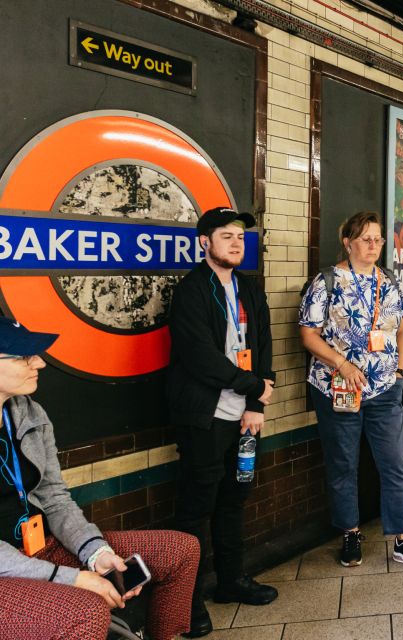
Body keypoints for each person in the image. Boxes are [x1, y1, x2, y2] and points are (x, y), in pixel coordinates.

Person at [0, 318, 199, 640]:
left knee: (180, 550)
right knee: (85, 613)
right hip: (7, 569)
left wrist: (96, 553)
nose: (39, 362)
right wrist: (71, 578)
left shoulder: (29, 412)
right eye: (24, 356)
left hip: (40, 547)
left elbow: (54, 497)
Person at [299, 211, 403, 570]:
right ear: (348, 242)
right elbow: (308, 335)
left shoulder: (388, 281)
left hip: (386, 388)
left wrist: (401, 370)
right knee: (344, 462)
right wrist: (341, 363)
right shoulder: (327, 282)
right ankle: (351, 533)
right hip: (338, 387)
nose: (374, 245)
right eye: (365, 239)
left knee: (395, 462)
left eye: (378, 239)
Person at [167, 206, 278, 638]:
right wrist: (251, 386)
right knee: (196, 508)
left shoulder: (250, 289)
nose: (236, 242)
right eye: (226, 235)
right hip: (205, 416)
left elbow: (263, 343)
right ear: (204, 243)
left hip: (244, 416)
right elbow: (198, 356)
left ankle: (231, 581)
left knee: (234, 498)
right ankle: (186, 603)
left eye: (240, 236)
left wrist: (257, 403)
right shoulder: (192, 291)